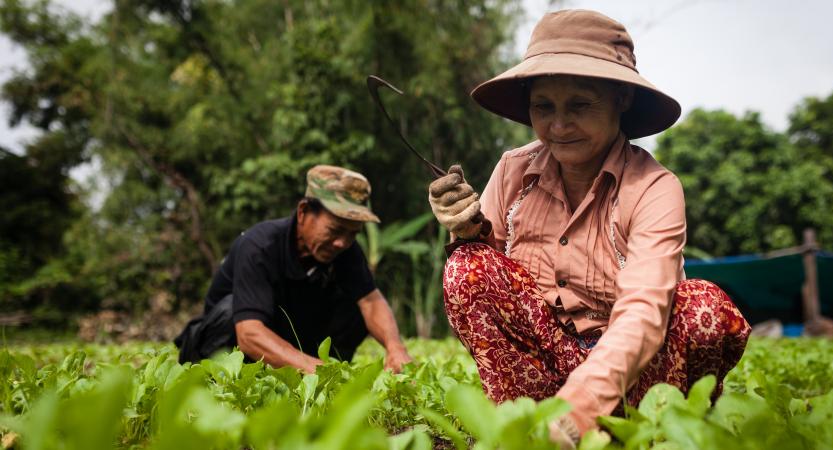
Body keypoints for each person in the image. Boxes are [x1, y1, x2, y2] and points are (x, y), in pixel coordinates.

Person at [427, 9, 750, 447]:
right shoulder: (512, 171)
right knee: (468, 267)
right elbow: (489, 275)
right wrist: (465, 230)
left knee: (703, 308)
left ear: (621, 99)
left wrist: (578, 408)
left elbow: (644, 312)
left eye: (579, 105)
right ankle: (524, 427)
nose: (558, 126)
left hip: (637, 373)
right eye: (544, 107)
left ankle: (646, 429)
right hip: (542, 368)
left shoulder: (654, 188)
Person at [176, 165, 412, 373]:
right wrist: (315, 369)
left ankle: (322, 377)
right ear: (303, 212)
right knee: (231, 311)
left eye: (353, 233)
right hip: (218, 346)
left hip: (285, 340)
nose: (342, 242)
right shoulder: (260, 245)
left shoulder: (345, 250)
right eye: (335, 230)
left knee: (358, 306)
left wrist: (395, 348)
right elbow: (248, 334)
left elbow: (372, 301)